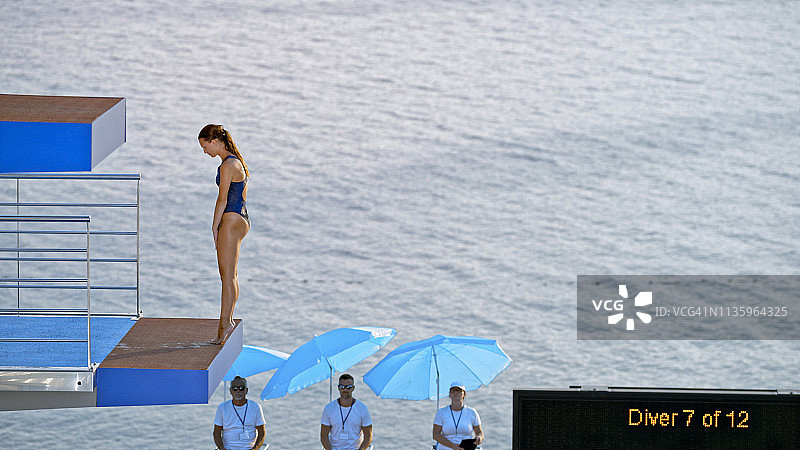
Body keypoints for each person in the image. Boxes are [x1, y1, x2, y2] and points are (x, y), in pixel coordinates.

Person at [198, 124, 250, 344]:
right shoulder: (235, 161)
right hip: (240, 217)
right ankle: (226, 321)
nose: (204, 151)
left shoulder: (229, 165)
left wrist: (214, 225)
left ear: (215, 141)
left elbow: (222, 199)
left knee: (226, 276)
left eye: (204, 146)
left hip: (230, 219)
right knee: (230, 275)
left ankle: (224, 325)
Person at [321, 373, 373, 450]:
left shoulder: (362, 409)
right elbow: (323, 435)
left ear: (353, 388)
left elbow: (368, 436)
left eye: (349, 387)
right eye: (342, 387)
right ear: (338, 388)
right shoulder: (329, 408)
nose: (345, 390)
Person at [213, 376, 266, 450]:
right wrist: (222, 448)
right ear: (230, 391)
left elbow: (262, 433)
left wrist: (255, 449)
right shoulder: (222, 407)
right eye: (234, 388)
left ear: (246, 390)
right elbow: (216, 433)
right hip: (229, 448)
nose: (238, 391)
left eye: (241, 388)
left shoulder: (255, 406)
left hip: (249, 448)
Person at [432, 382, 484, 450]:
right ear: (449, 394)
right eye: (453, 391)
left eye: (458, 390)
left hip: (466, 447)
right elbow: (436, 434)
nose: (455, 393)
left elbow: (479, 432)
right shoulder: (441, 412)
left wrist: (479, 438)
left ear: (464, 394)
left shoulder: (472, 412)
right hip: (446, 447)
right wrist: (454, 447)